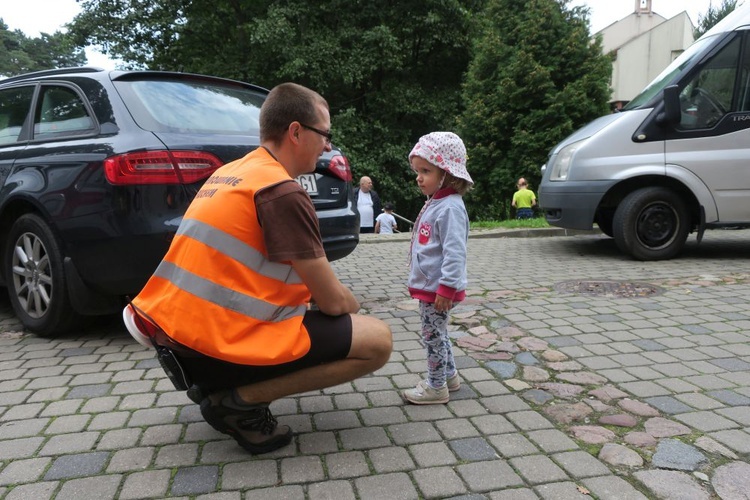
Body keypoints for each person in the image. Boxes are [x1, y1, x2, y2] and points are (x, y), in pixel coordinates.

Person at [126, 82, 393, 454]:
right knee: (377, 341)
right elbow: (333, 302)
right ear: (296, 132)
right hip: (216, 348)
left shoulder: (235, 172)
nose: (328, 146)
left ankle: (222, 389)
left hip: (184, 341)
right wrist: (351, 307)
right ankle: (238, 402)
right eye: (325, 134)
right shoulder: (281, 191)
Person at [402, 132, 472, 405]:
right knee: (438, 333)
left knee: (432, 337)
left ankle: (436, 386)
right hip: (432, 287)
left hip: (438, 290)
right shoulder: (437, 203)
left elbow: (455, 253)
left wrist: (447, 287)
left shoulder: (450, 208)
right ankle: (450, 376)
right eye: (417, 171)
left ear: (448, 174)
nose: (419, 177)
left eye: (426, 171)